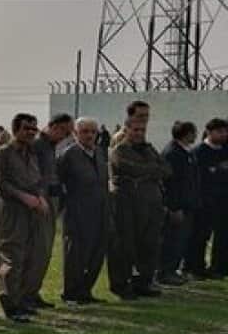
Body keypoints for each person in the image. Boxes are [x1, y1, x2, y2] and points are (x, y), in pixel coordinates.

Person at [108, 117, 170, 299]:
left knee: (149, 245)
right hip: (128, 203)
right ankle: (121, 284)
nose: (139, 134)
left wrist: (147, 170)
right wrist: (151, 170)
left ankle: (143, 282)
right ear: (126, 130)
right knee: (125, 245)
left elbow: (166, 169)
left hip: (152, 203)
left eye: (142, 130)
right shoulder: (119, 150)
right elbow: (129, 168)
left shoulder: (149, 148)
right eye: (135, 130)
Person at [0, 113, 47, 321]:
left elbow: (38, 179)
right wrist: (23, 196)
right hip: (12, 209)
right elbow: (1, 182)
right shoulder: (4, 153)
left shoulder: (32, 152)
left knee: (31, 255)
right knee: (12, 255)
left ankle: (23, 300)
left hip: (33, 209)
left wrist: (40, 198)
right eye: (26, 128)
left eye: (34, 129)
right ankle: (10, 303)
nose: (31, 133)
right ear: (16, 129)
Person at [57, 117, 110, 305]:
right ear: (75, 134)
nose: (89, 136)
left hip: (100, 211)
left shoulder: (100, 153)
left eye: (93, 132)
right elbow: (59, 184)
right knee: (75, 255)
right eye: (85, 132)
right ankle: (71, 293)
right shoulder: (68, 155)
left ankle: (86, 291)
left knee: (96, 253)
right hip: (77, 212)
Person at [26, 113, 73, 309]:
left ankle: (33, 291)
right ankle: (27, 293)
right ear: (53, 126)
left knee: (44, 251)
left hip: (50, 200)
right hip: (39, 202)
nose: (65, 136)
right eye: (64, 130)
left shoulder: (51, 147)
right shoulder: (38, 146)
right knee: (37, 250)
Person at [159, 120, 200, 285]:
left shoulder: (187, 152)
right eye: (193, 132)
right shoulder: (173, 153)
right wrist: (174, 207)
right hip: (177, 206)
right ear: (186, 133)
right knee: (172, 240)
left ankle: (173, 269)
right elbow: (171, 183)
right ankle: (164, 271)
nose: (195, 136)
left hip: (188, 204)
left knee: (181, 240)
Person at [188, 118, 228, 278]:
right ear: (209, 132)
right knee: (201, 235)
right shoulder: (200, 152)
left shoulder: (225, 149)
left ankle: (220, 267)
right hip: (205, 200)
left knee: (223, 235)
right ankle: (196, 267)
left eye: (225, 131)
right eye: (220, 131)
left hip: (224, 201)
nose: (224, 135)